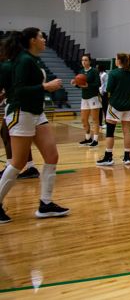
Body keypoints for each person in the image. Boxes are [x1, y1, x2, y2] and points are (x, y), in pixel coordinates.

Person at [0, 28, 69, 224]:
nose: (44, 39)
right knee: (18, 162)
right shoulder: (23, 60)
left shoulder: (30, 59)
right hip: (21, 112)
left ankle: (45, 204)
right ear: (32, 40)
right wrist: (45, 87)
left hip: (36, 113)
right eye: (40, 36)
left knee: (52, 156)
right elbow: (20, 91)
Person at [0, 43, 39, 180]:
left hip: (20, 106)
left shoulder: (11, 65)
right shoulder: (14, 64)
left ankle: (17, 166)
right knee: (10, 135)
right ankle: (28, 166)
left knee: (9, 134)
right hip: (18, 104)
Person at [97, 53, 130, 166]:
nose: (115, 60)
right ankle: (127, 157)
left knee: (110, 131)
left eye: (116, 59)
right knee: (127, 132)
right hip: (128, 106)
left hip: (115, 105)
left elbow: (108, 88)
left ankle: (108, 157)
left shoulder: (113, 73)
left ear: (119, 61)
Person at [73, 54, 101, 147]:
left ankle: (95, 140)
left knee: (95, 120)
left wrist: (88, 85)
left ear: (89, 61)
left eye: (85, 60)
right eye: (82, 60)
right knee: (83, 119)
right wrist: (75, 83)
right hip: (84, 98)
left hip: (93, 97)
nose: (83, 62)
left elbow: (98, 84)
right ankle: (88, 138)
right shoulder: (81, 71)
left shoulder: (94, 71)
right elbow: (80, 84)